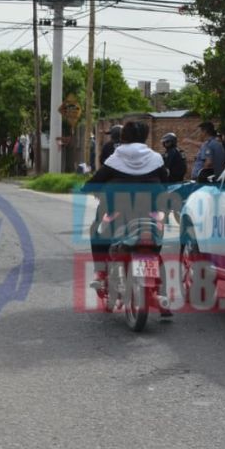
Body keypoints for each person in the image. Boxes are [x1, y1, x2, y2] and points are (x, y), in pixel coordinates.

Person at [84, 120, 171, 318]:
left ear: (123, 137)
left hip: (118, 209)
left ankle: (101, 273)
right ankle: (163, 295)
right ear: (145, 137)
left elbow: (96, 180)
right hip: (150, 210)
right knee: (155, 246)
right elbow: (166, 185)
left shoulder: (116, 157)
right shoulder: (156, 158)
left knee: (97, 231)